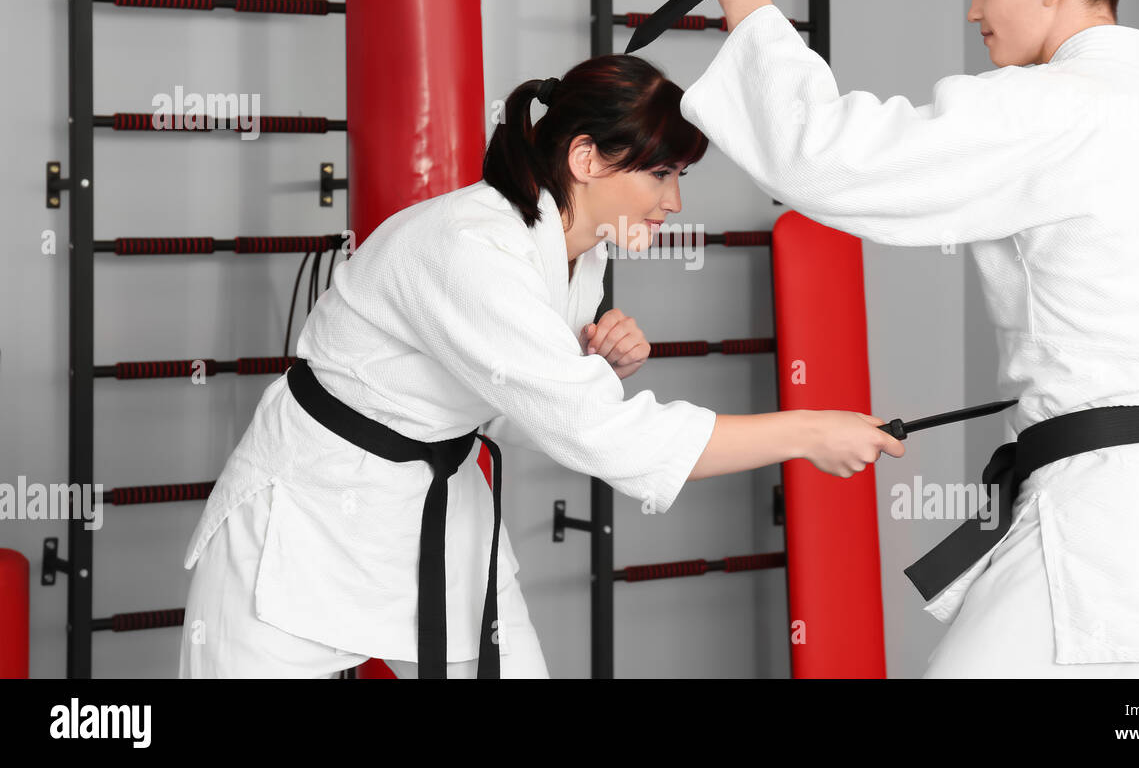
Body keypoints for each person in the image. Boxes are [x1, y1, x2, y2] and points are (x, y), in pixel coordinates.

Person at [679, 0, 1139, 677]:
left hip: (1104, 529)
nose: (971, 9)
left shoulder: (1051, 107)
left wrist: (750, 5)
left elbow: (830, 161)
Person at [178, 53, 905, 679]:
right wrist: (808, 432)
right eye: (659, 175)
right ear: (586, 159)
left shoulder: (576, 253)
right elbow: (605, 440)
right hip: (307, 511)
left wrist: (583, 367)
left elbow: (514, 412)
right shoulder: (472, 247)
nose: (674, 202)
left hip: (437, 505)